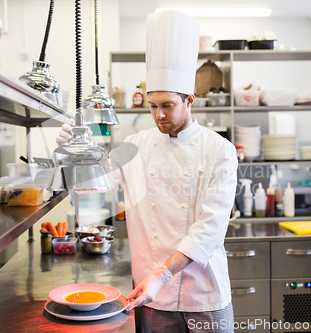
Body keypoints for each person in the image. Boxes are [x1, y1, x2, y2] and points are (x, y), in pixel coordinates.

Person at [57, 10, 237, 333]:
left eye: (167, 105)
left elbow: (209, 231)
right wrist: (70, 153)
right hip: (152, 299)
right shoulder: (136, 145)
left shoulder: (219, 151)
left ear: (189, 100)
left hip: (205, 298)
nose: (159, 115)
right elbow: (91, 183)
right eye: (153, 106)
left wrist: (162, 274)